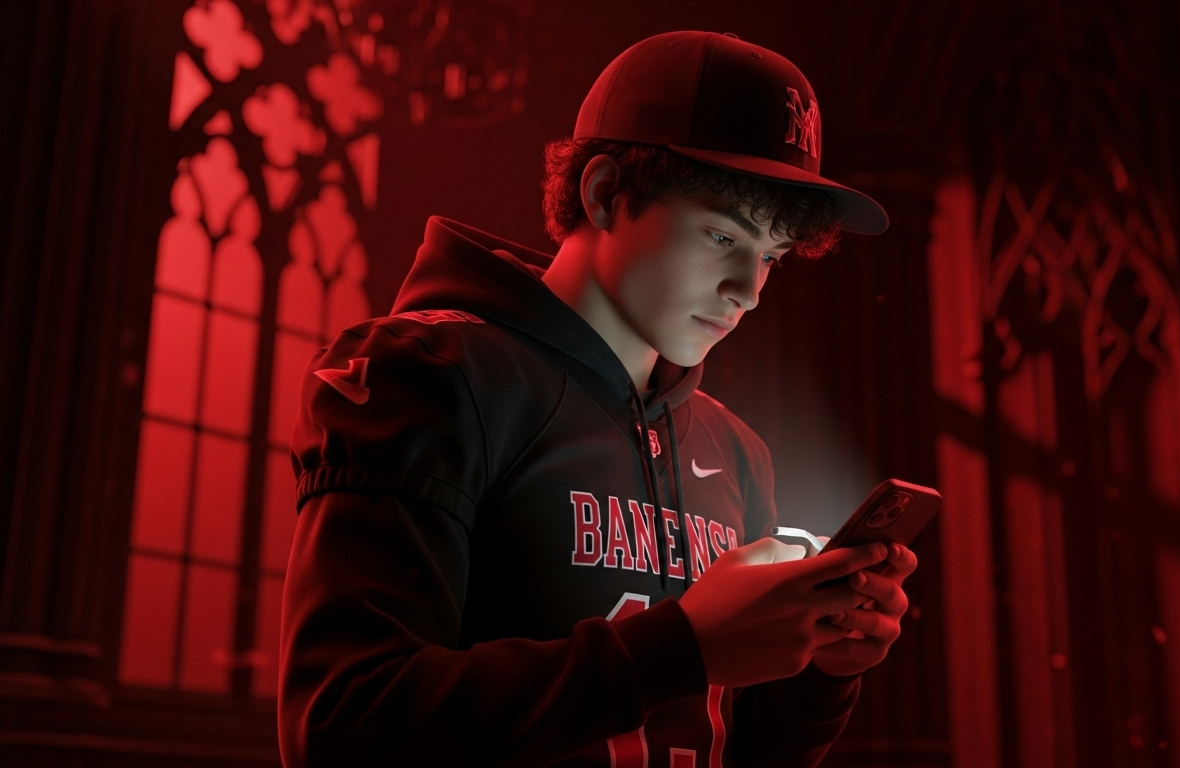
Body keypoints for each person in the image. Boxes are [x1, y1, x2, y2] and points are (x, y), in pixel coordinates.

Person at [278, 30, 919, 768]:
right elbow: (341, 727)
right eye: (722, 238)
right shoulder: (428, 375)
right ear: (605, 193)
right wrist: (679, 649)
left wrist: (824, 673)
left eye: (770, 257)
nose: (748, 291)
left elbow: (736, 748)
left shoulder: (736, 450)